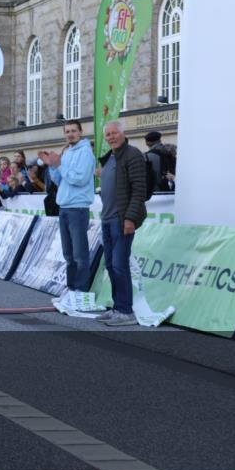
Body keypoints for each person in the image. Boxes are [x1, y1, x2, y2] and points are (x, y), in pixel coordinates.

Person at [96, 121, 148, 327]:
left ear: (123, 133)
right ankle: (118, 308)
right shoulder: (110, 157)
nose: (111, 137)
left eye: (114, 133)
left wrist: (130, 219)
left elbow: (139, 190)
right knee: (110, 265)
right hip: (107, 220)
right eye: (107, 134)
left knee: (119, 265)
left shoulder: (132, 154)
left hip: (121, 220)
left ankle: (126, 311)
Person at [39, 120, 96, 299]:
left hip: (78, 207)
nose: (70, 134)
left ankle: (81, 291)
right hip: (64, 207)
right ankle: (71, 289)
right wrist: (52, 166)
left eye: (73, 131)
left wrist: (60, 166)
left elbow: (79, 179)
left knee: (79, 254)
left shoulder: (86, 152)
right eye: (67, 131)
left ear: (80, 132)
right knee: (68, 254)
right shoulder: (68, 151)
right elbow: (60, 180)